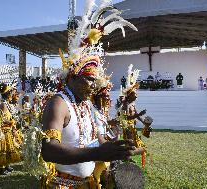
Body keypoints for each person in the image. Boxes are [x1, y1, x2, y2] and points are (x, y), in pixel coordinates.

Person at [40, 1, 143, 188]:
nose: (94, 85)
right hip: (62, 184)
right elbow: (49, 150)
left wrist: (115, 149)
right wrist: (97, 154)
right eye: (89, 79)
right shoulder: (59, 103)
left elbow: (97, 140)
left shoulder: (87, 105)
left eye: (95, 80)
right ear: (72, 76)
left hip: (88, 183)